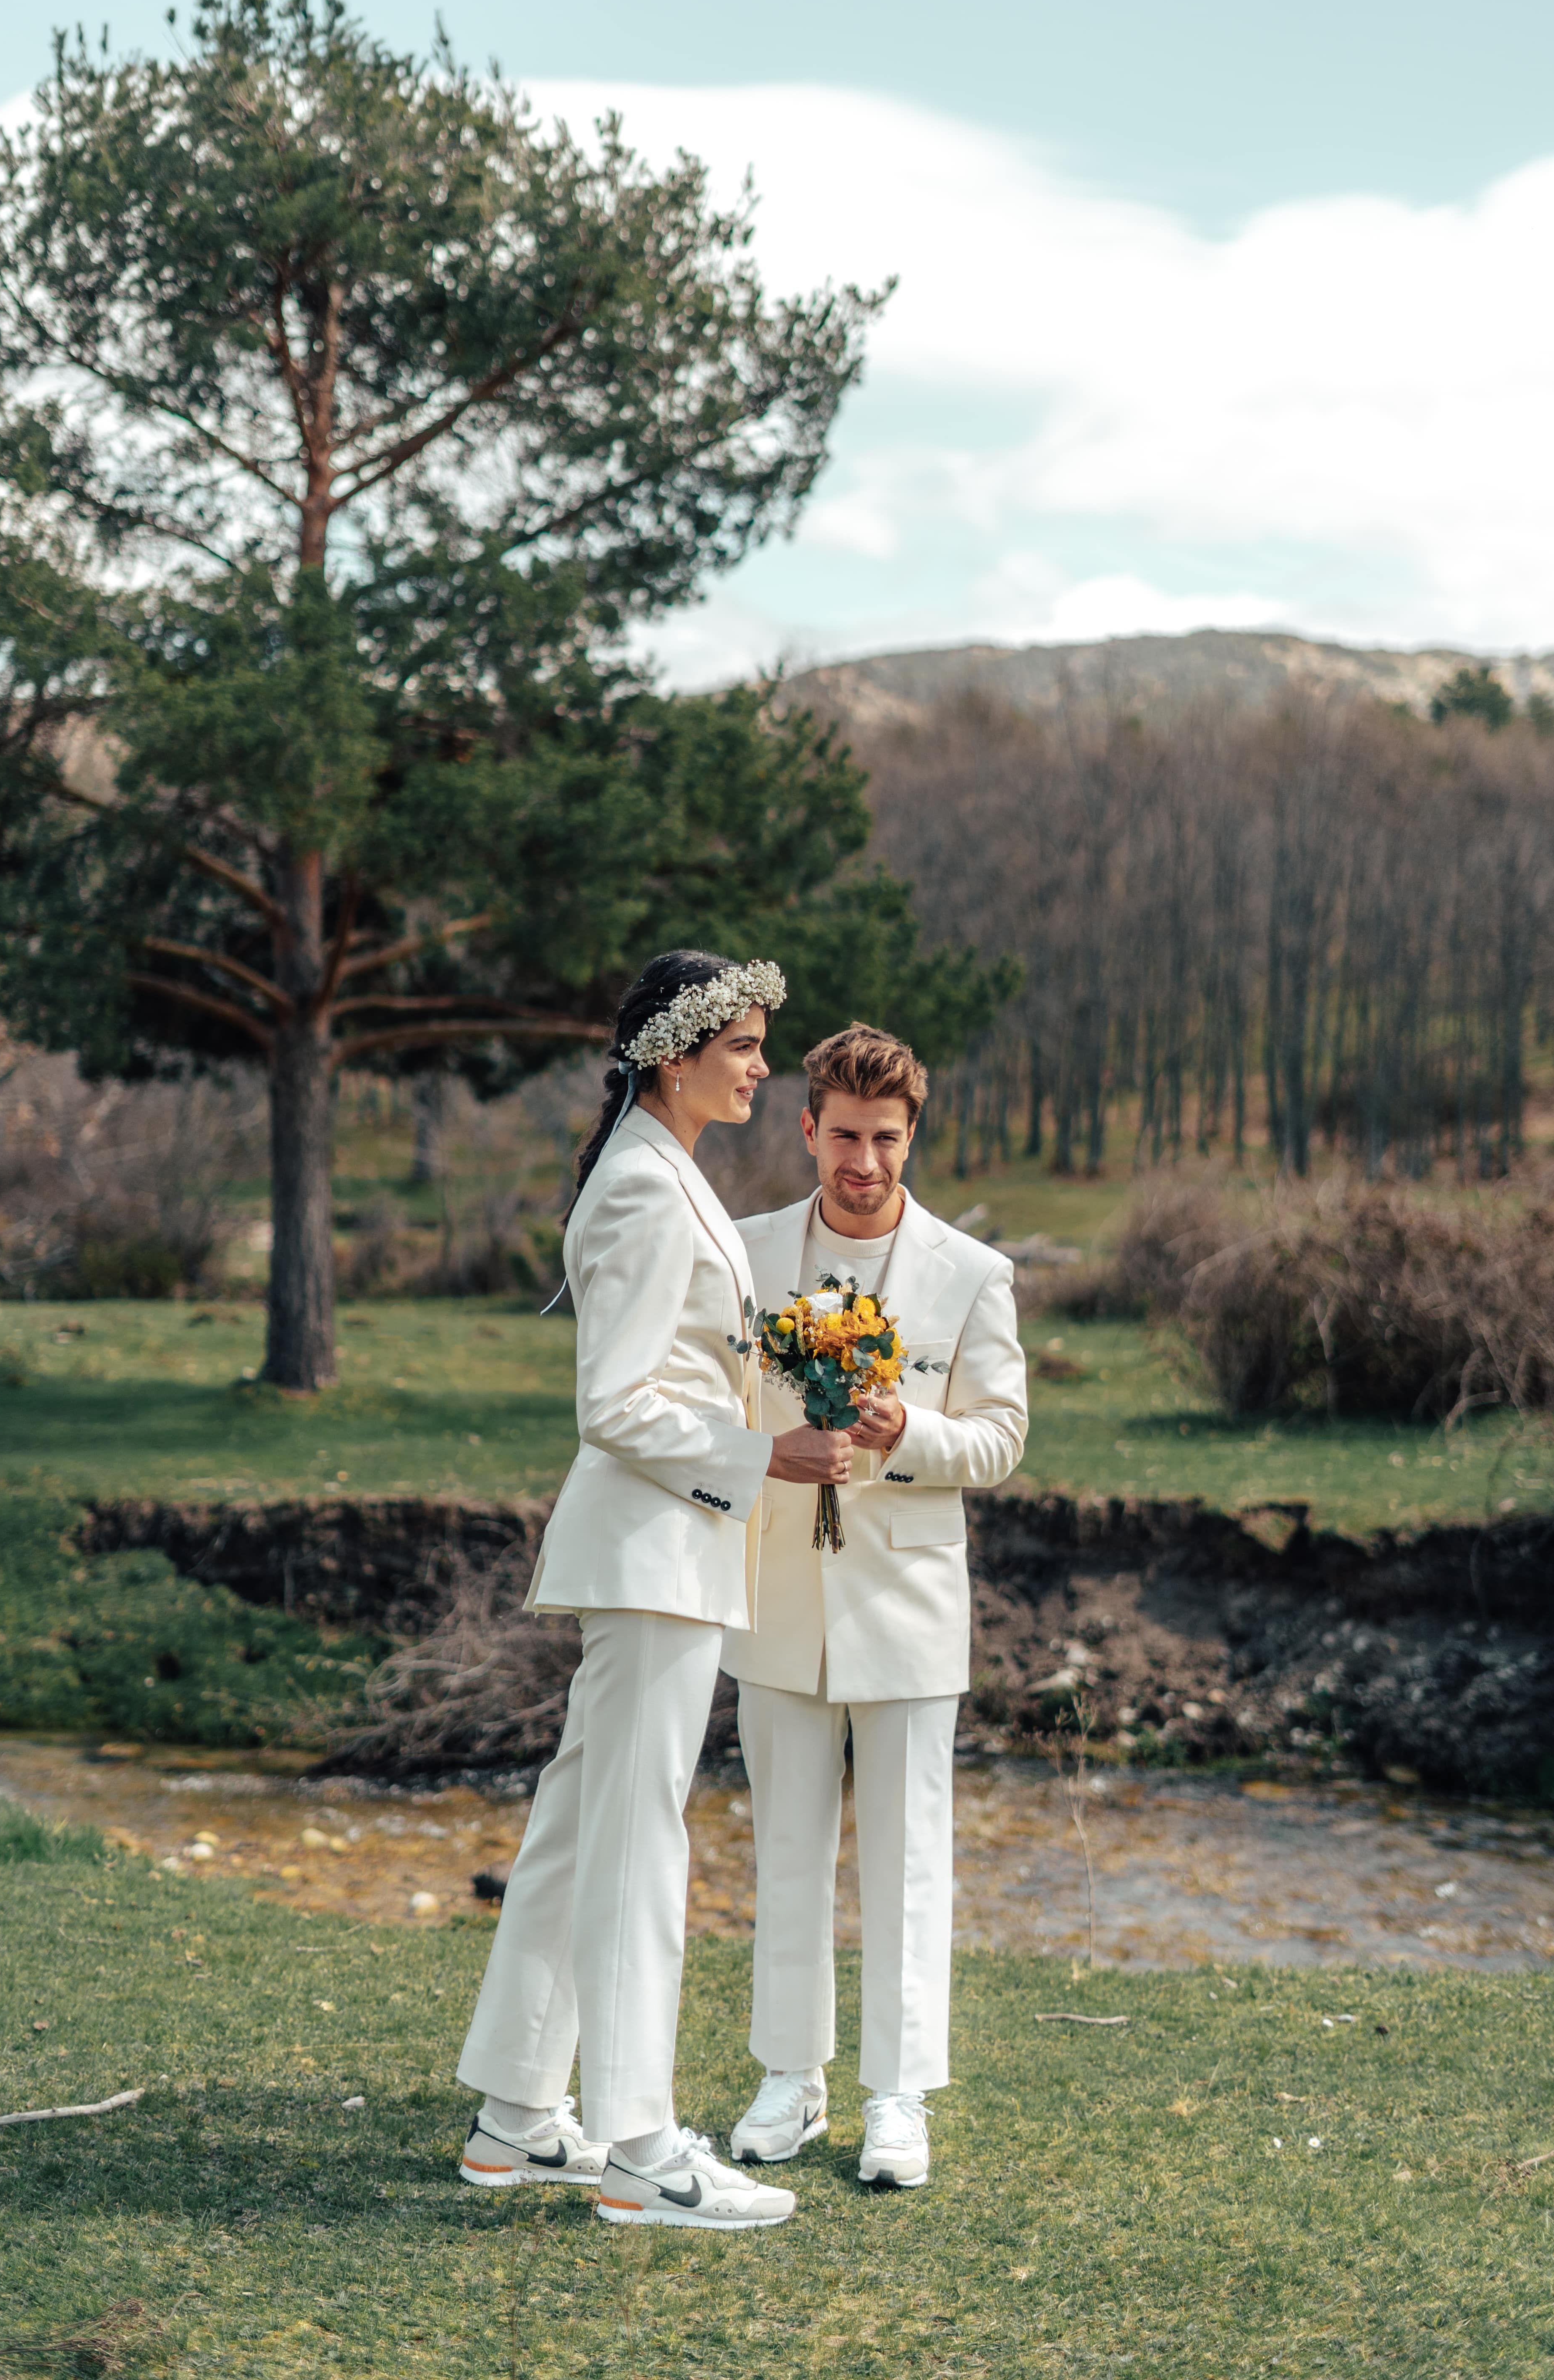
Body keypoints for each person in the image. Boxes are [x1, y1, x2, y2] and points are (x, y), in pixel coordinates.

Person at [454, 950, 852, 2231]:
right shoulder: (636, 1187)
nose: (758, 1065)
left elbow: (685, 1371)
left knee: (582, 1832)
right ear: (675, 1056)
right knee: (637, 1848)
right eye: (740, 1045)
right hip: (652, 1554)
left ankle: (517, 2116)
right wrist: (761, 1455)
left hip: (669, 1551)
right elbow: (616, 1403)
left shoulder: (666, 1175)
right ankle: (640, 2150)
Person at [723, 1024, 1029, 2189]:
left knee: (909, 1860)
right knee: (786, 1848)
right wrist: (767, 1450)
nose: (863, 1162)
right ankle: (788, 2080)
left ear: (914, 1136)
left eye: (885, 1139)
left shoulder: (972, 1272)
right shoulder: (746, 1257)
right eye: (844, 1136)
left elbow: (1001, 1438)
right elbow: (713, 1401)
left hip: (908, 1600)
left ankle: (897, 2099)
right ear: (807, 1129)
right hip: (777, 1595)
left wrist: (914, 1436)